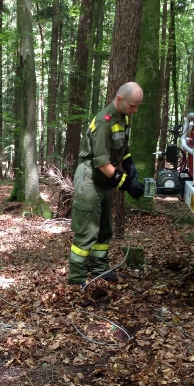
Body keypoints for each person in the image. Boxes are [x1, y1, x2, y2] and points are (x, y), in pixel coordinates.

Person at [68, 82, 145, 286]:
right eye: (133, 105)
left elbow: (121, 148)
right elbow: (101, 162)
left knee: (104, 229)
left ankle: (100, 270)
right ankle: (76, 280)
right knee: (87, 232)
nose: (135, 110)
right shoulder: (105, 122)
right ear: (119, 99)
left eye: (137, 106)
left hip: (104, 181)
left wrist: (128, 162)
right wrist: (127, 184)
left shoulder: (123, 117)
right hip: (90, 178)